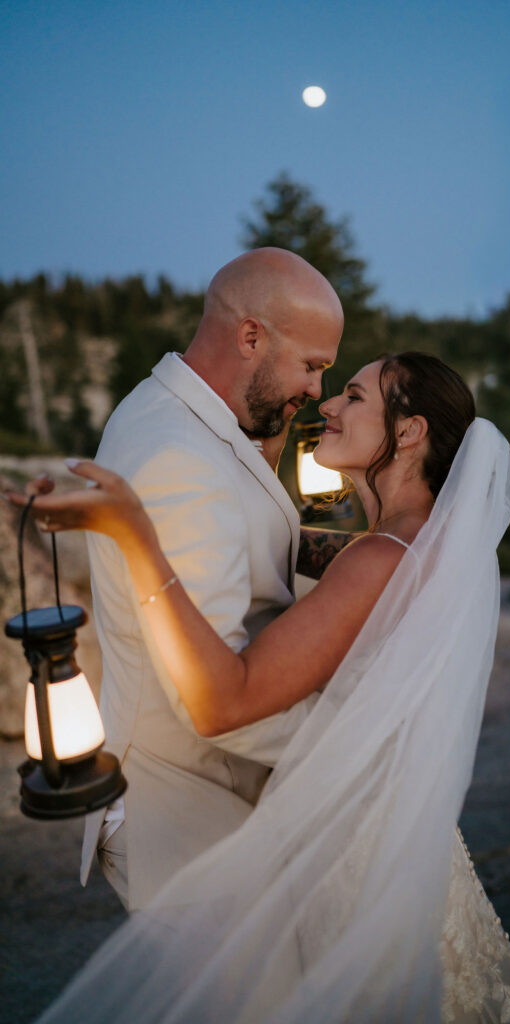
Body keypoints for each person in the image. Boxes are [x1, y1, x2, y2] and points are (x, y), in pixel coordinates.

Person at [8, 352, 510, 1022]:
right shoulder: (424, 548)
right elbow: (324, 577)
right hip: (397, 839)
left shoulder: (380, 557)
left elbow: (224, 703)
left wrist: (137, 538)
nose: (327, 404)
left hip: (346, 852)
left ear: (409, 430)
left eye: (354, 396)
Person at [71, 247, 344, 911]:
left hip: (201, 798)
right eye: (312, 366)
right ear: (251, 335)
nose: (316, 392)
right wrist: (351, 735)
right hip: (185, 811)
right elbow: (213, 698)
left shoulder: (179, 414)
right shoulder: (178, 459)